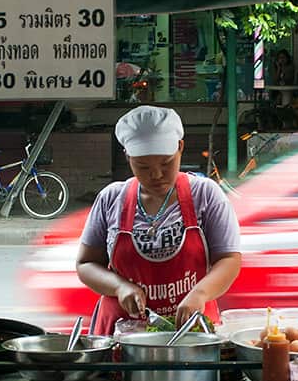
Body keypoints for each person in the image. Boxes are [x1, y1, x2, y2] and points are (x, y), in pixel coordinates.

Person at [78, 106, 242, 334]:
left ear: (180, 148)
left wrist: (200, 293)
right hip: (123, 333)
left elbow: (229, 259)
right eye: (143, 166)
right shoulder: (111, 198)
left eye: (166, 163)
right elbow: (86, 264)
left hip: (190, 331)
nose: (156, 174)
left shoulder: (205, 194)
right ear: (128, 157)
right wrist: (119, 287)